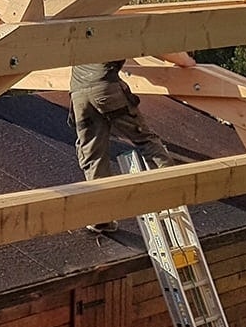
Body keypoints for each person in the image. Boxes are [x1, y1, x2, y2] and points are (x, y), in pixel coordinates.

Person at [69, 53, 195, 233]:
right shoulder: (117, 28)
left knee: (93, 155)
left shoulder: (84, 28)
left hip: (79, 95)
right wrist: (185, 61)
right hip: (105, 87)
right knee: (144, 139)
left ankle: (100, 217)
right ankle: (170, 188)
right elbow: (154, 46)